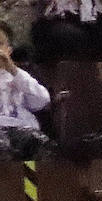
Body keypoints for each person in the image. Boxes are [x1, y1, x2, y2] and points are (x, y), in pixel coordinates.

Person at [0, 22, 54, 160]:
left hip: (23, 131)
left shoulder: (20, 76)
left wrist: (13, 70)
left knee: (42, 146)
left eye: (0, 44)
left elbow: (42, 100)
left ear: (9, 50)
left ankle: (31, 182)